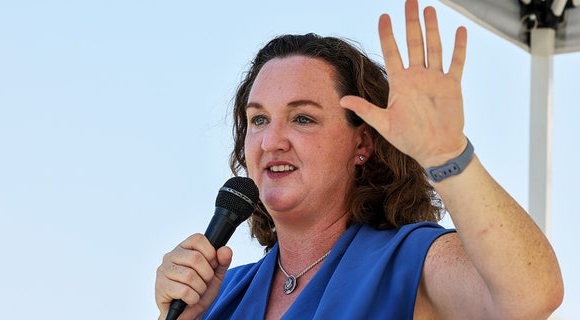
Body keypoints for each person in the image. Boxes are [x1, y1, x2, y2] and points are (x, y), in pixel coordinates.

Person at [155, 0, 564, 319]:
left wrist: (447, 153)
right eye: (258, 119)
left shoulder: (411, 261)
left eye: (302, 118)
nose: (271, 141)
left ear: (362, 145)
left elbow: (530, 299)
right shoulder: (221, 292)